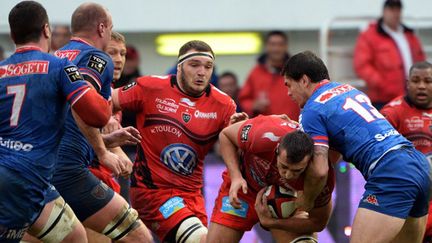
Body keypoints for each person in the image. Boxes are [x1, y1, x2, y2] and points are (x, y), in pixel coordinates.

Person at [282, 50, 430, 243]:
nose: (288, 93)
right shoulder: (348, 89)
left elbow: (319, 170)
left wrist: (306, 202)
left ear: (303, 80)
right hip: (419, 164)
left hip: (391, 171)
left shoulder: (311, 110)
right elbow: (331, 159)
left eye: (289, 85)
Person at [0, 1, 112, 242]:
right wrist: (107, 96)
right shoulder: (60, 67)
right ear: (47, 30)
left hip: (25, 180)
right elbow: (98, 116)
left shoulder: (0, 70)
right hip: (26, 181)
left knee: (75, 236)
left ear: (12, 34)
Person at [112, 40, 238, 242]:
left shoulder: (224, 104)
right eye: (194, 65)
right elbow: (106, 102)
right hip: (152, 192)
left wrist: (239, 135)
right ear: (179, 66)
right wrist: (112, 121)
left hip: (193, 196)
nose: (201, 72)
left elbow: (231, 146)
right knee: (199, 240)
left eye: (208, 67)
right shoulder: (149, 87)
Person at [52, 3, 153, 242]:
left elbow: (63, 121)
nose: (117, 59)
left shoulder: (56, 57)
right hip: (71, 171)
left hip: (45, 168)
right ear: (101, 28)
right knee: (139, 237)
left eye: (123, 53)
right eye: (113, 51)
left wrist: (106, 141)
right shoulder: (95, 57)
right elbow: (81, 101)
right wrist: (103, 151)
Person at [207, 115, 335, 243]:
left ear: (309, 163)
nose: (288, 175)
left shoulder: (318, 177)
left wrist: (273, 222)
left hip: (288, 205)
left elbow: (318, 223)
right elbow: (226, 135)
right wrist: (236, 176)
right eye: (284, 166)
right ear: (277, 149)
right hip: (244, 189)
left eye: (297, 170)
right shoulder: (263, 134)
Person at [380, 61, 432, 242]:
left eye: (428, 81)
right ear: (408, 84)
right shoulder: (392, 112)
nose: (422, 86)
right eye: (416, 81)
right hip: (405, 194)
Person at [353, 0, 426, 110]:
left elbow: (421, 61)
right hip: (383, 100)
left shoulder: (409, 35)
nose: (395, 13)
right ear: (384, 11)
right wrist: (383, 84)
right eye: (391, 9)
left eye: (398, 9)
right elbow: (362, 65)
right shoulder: (369, 36)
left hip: (410, 98)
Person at [238, 31, 300, 120]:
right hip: (264, 129)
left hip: (292, 126)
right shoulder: (256, 72)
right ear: (267, 46)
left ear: (286, 46)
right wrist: (253, 105)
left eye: (280, 44)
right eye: (273, 44)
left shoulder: (296, 70)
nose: (276, 49)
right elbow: (243, 99)